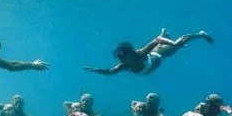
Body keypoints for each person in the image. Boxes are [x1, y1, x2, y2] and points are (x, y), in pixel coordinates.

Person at [83, 28, 213, 76]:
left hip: (159, 55)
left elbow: (156, 41)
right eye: (118, 56)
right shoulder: (124, 66)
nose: (120, 59)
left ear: (129, 52)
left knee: (178, 45)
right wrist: (96, 70)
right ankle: (164, 34)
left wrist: (174, 43)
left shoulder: (140, 53)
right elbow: (109, 72)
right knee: (162, 42)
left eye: (122, 55)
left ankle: (200, 34)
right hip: (152, 60)